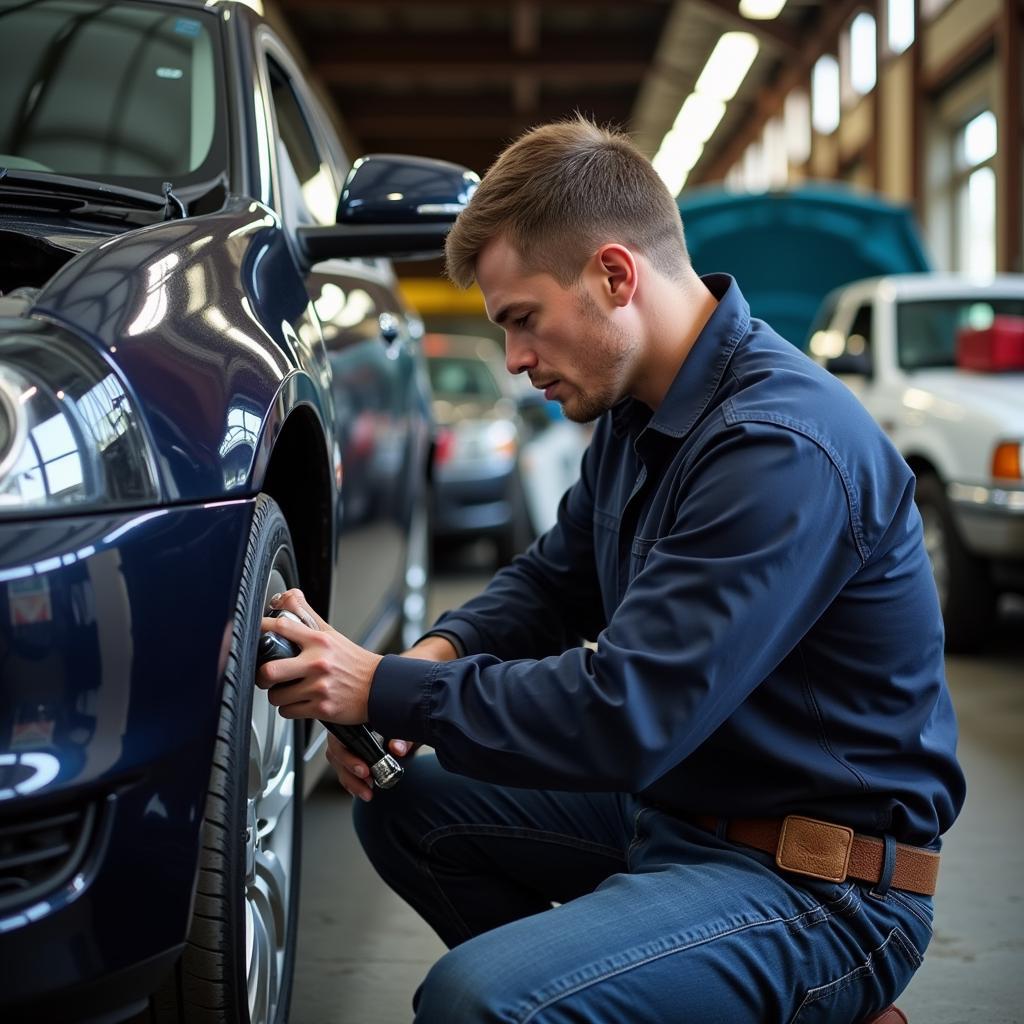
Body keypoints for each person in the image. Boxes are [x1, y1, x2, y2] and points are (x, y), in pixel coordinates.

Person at [256, 117, 966, 1023]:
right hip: (680, 813)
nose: (515, 361)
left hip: (819, 881)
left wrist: (384, 689)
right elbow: (555, 580)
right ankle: (636, 982)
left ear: (615, 276)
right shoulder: (641, 414)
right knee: (409, 806)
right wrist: (434, 656)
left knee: (479, 1004)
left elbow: (627, 711)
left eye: (524, 321)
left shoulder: (779, 449)